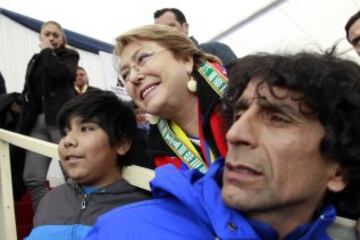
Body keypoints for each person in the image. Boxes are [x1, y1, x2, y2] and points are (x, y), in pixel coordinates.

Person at [85, 51, 360, 239]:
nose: (235, 133)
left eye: (277, 118)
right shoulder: (124, 230)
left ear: (339, 171)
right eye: (239, 115)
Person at [25, 90, 150, 240]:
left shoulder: (144, 209)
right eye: (65, 132)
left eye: (85, 129)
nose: (68, 141)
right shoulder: (49, 201)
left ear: (121, 144)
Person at [115, 24, 228, 173]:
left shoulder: (249, 89)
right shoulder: (157, 155)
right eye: (125, 75)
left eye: (142, 58)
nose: (133, 77)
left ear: (186, 59)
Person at [21, 20, 79, 211]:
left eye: (55, 34)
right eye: (47, 34)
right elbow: (30, 89)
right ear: (40, 36)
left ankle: (78, 215)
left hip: (59, 120)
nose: (51, 38)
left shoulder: (69, 55)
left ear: (62, 38)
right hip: (36, 123)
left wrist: (47, 51)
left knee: (72, 172)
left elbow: (61, 73)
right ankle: (44, 222)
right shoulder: (34, 60)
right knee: (33, 177)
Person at [154, 8, 237, 66]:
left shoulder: (215, 50)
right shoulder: (165, 71)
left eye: (171, 26)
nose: (166, 33)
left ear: (185, 27)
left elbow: (240, 81)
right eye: (161, 31)